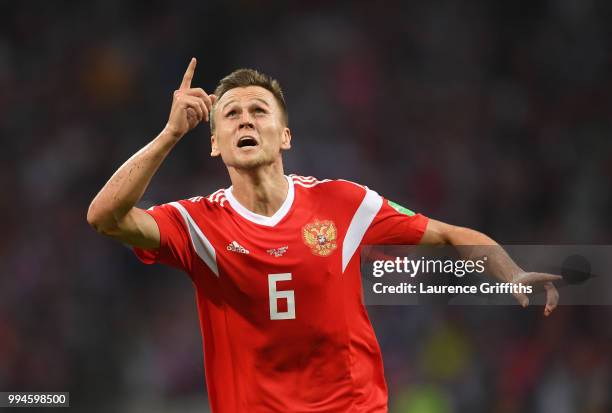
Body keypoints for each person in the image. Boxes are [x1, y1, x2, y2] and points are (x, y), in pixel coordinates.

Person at [87, 58, 560, 412]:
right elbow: (104, 217)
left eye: (258, 110)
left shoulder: (342, 203)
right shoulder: (197, 223)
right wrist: (170, 134)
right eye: (230, 114)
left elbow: (452, 234)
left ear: (286, 136)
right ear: (214, 144)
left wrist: (510, 273)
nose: (245, 119)